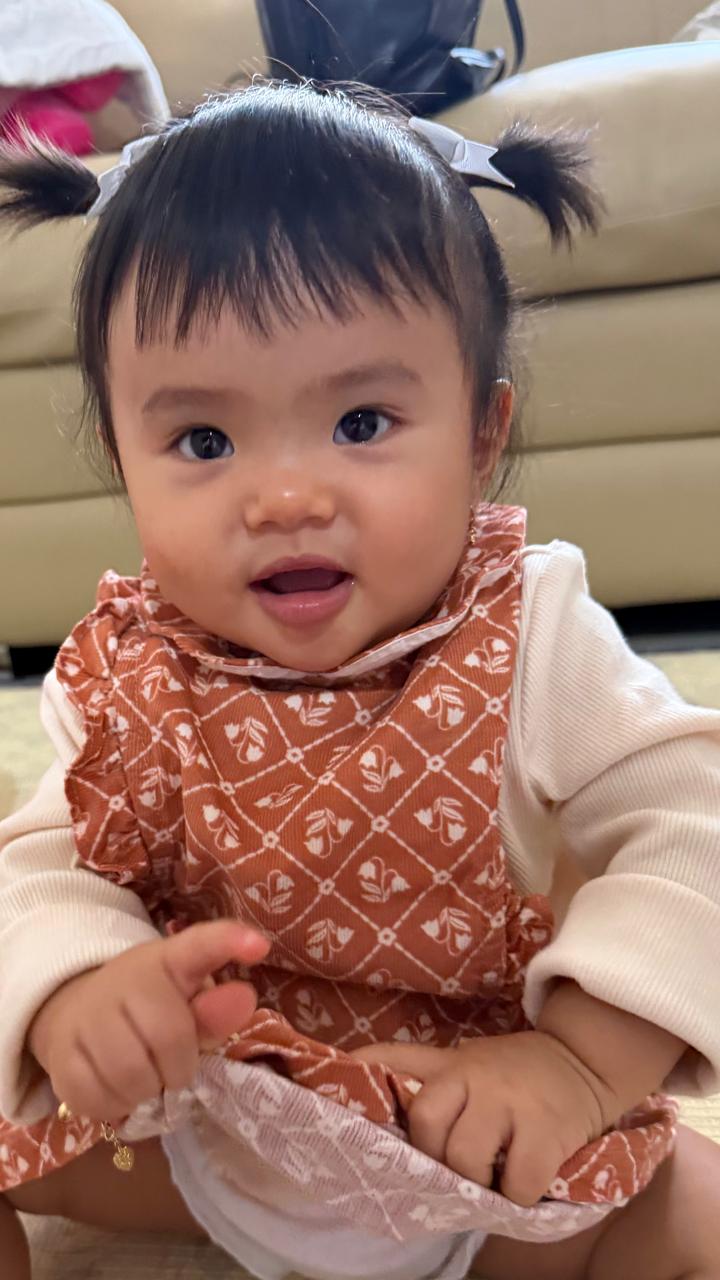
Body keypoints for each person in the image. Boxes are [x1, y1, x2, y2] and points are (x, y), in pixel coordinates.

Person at [0, 79, 718, 1280]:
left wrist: (581, 1063)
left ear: (481, 435)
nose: (286, 497)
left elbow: (698, 826)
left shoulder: (530, 632)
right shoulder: (129, 671)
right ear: (122, 459)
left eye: (363, 422)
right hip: (203, 1127)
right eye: (204, 441)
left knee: (698, 1210)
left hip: (480, 1148)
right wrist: (77, 987)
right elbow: (38, 866)